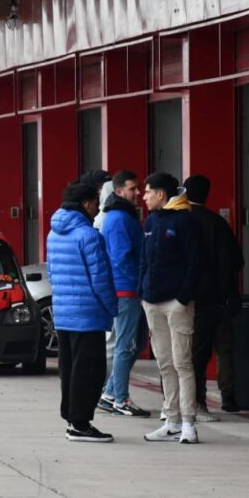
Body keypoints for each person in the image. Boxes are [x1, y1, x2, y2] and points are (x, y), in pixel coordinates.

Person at [47, 182, 117, 443]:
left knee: (70, 370)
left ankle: (72, 419)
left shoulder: (54, 234)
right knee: (89, 371)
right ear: (86, 203)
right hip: (88, 315)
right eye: (96, 203)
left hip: (64, 314)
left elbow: (53, 273)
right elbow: (101, 279)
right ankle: (81, 424)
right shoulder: (89, 236)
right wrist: (112, 308)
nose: (97, 208)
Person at [138, 172, 201, 444]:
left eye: (148, 192)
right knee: (165, 364)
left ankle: (189, 423)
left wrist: (182, 298)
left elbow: (195, 263)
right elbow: (144, 260)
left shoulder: (186, 220)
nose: (144, 196)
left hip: (177, 304)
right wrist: (143, 293)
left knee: (183, 363)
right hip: (151, 302)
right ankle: (171, 420)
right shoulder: (151, 221)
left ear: (161, 194)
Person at [182, 175, 244, 420]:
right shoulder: (217, 223)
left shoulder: (182, 221)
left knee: (195, 352)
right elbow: (236, 260)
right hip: (219, 298)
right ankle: (228, 396)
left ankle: (197, 400)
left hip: (191, 299)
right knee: (224, 347)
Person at [97, 170, 151, 417]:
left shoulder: (123, 216)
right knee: (126, 344)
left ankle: (110, 394)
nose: (138, 192)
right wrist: (138, 284)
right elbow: (121, 257)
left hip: (130, 289)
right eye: (133, 188)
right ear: (119, 191)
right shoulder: (118, 218)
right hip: (126, 290)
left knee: (136, 342)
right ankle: (121, 398)